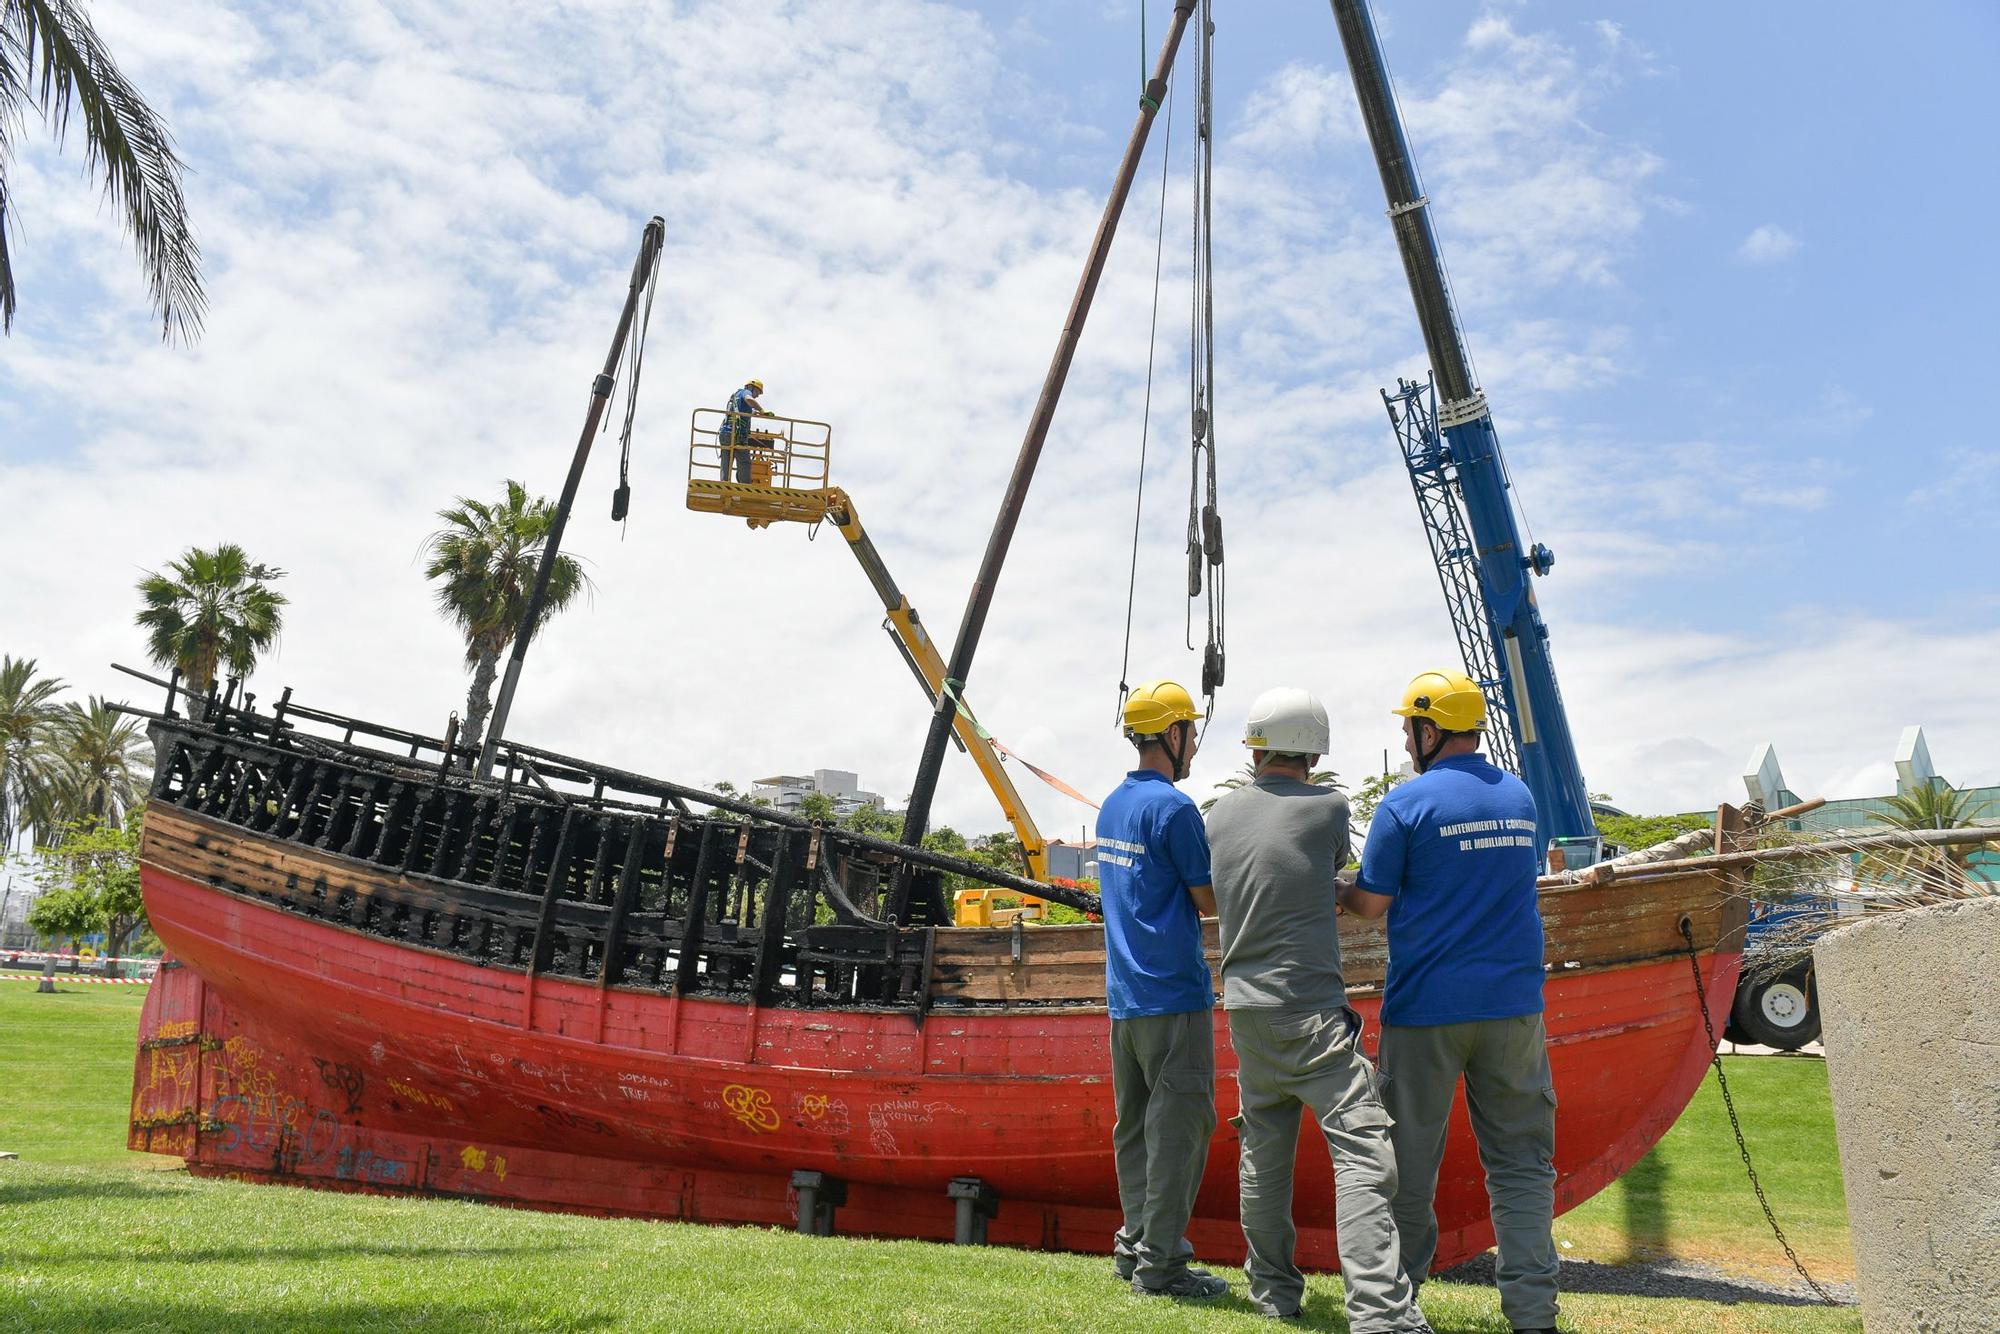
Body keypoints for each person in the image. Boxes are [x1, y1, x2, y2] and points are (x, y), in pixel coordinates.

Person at [1342, 669, 1560, 1334]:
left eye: (1409, 728)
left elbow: (1371, 907)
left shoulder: (1405, 807)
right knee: (1522, 1165)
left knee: (1406, 1169)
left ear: (1430, 728)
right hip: (1514, 1008)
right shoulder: (1521, 798)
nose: (1407, 742)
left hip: (1426, 1013)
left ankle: (1397, 1308)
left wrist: (1329, 889)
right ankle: (1534, 1316)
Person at [1206, 686, 1430, 1330]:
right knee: (1364, 1149)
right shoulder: (1330, 807)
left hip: (1244, 1010)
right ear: (1314, 750)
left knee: (1264, 1153)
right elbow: (1338, 878)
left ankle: (1274, 1295)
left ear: (1256, 746)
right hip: (1307, 1010)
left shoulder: (1217, 815)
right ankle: (1381, 1312)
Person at [1096, 678, 1229, 1301]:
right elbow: (1207, 899)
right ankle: (1162, 1267)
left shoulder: (1112, 806)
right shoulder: (1175, 810)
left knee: (1136, 1128)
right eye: (1192, 731)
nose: (1196, 743)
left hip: (1124, 999)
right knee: (1180, 1129)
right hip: (1173, 996)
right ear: (1172, 735)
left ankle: (1134, 1249)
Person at [718, 377, 766, 483]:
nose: (757, 395)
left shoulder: (736, 396)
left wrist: (753, 412)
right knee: (744, 461)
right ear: (751, 387)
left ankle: (724, 482)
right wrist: (762, 410)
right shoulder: (746, 392)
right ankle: (745, 486)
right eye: (757, 391)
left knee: (726, 458)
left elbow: (741, 409)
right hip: (737, 435)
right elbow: (749, 399)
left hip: (725, 432)